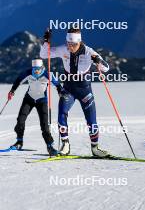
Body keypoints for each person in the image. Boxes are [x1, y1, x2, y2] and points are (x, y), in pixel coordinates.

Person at [40, 27, 110, 157]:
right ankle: (65, 144)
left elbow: (106, 68)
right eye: (69, 44)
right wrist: (46, 42)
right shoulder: (63, 49)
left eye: (74, 44)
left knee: (91, 120)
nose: (71, 47)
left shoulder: (89, 52)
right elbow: (44, 55)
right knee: (61, 114)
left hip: (84, 90)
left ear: (79, 42)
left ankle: (95, 148)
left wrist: (98, 62)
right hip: (68, 89)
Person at [8, 59, 61, 156]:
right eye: (34, 69)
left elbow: (57, 84)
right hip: (29, 99)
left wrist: (60, 91)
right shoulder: (28, 73)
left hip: (42, 101)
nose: (36, 71)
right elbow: (18, 80)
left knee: (44, 126)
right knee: (20, 120)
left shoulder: (47, 74)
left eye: (38, 69)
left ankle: (50, 146)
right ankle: (19, 142)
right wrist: (12, 91)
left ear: (42, 68)